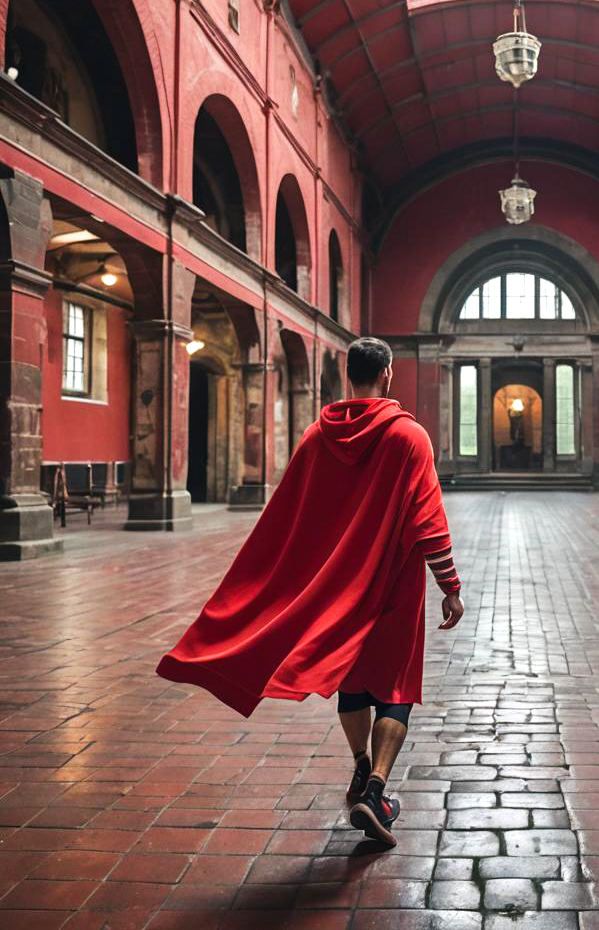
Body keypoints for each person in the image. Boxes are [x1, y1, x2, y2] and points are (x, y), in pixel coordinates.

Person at [157, 337, 464, 847]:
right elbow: (428, 520)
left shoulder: (316, 437)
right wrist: (449, 586)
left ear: (349, 376)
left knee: (354, 677)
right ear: (386, 374)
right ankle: (377, 792)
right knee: (396, 683)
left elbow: (291, 518)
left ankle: (359, 767)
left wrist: (285, 582)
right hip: (393, 584)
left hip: (339, 587)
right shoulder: (410, 437)